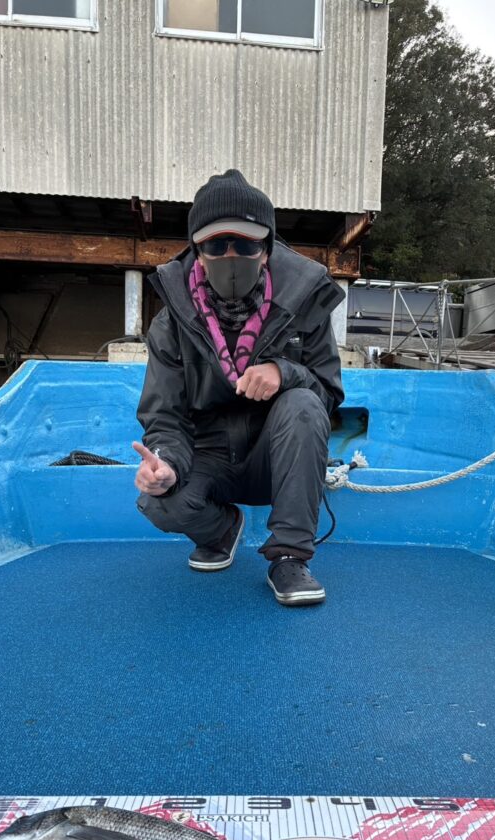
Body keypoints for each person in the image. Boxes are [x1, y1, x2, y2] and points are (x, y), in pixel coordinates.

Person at [133, 168, 345, 606]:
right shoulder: (170, 324)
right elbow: (165, 415)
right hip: (207, 457)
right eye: (216, 245)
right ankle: (222, 529)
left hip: (276, 459)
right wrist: (166, 462)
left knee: (304, 403)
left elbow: (327, 395)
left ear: (266, 250)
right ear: (198, 252)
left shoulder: (308, 308)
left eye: (246, 244)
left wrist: (285, 373)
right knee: (159, 502)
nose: (231, 255)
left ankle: (289, 556)